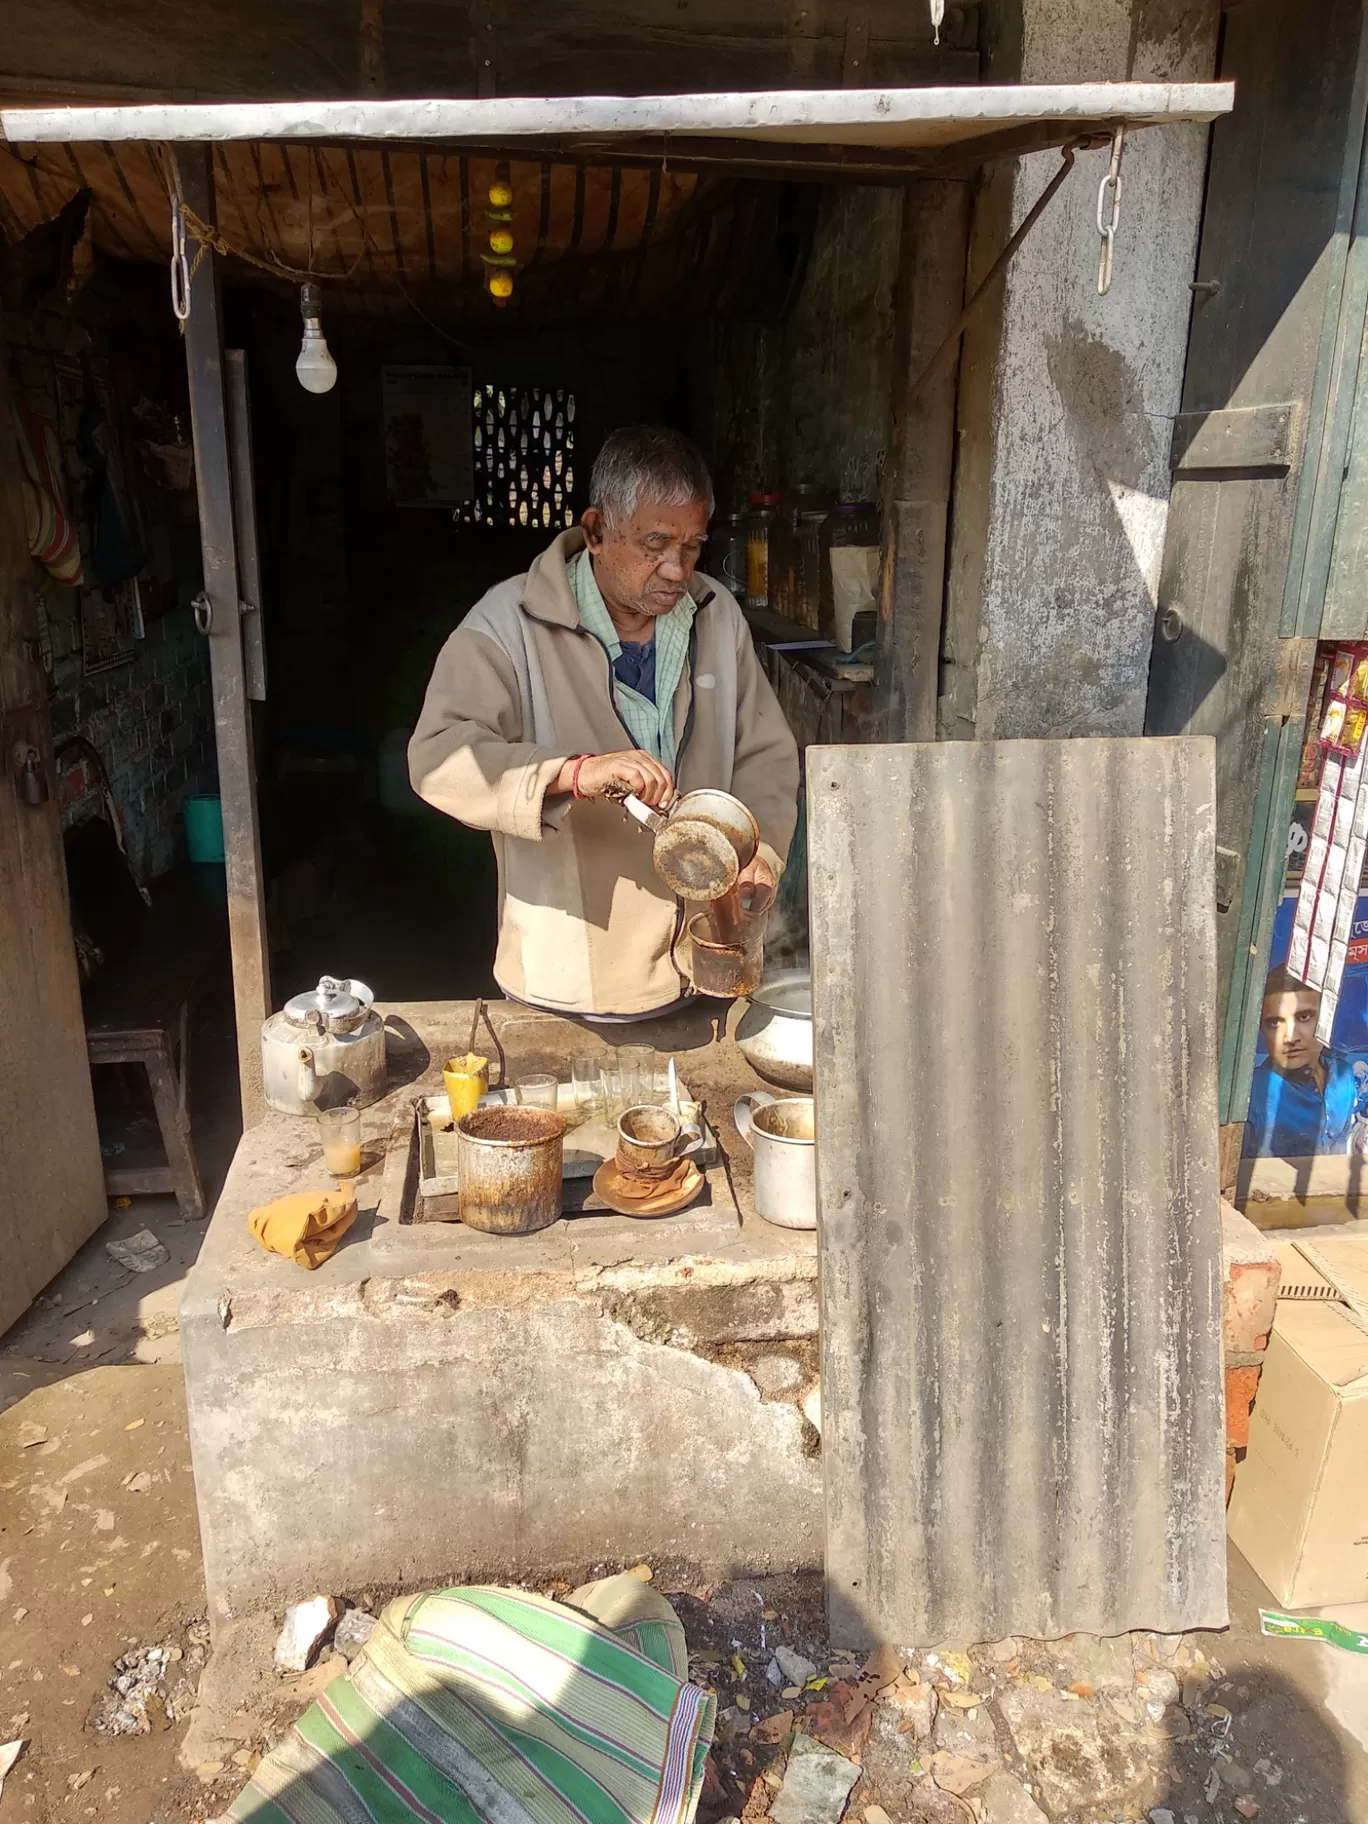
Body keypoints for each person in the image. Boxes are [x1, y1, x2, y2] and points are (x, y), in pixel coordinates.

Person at [409, 425, 799, 1018]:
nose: (675, 568)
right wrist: (569, 773)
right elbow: (438, 757)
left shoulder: (716, 618)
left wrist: (761, 854)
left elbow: (765, 755)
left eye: (692, 546)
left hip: (704, 970)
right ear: (595, 531)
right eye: (655, 543)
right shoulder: (507, 623)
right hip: (568, 980)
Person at [1242, 965, 1368, 1157]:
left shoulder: (1344, 1076)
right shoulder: (1253, 1096)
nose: (1290, 1037)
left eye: (1303, 1017)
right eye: (1275, 1022)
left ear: (1327, 1020)